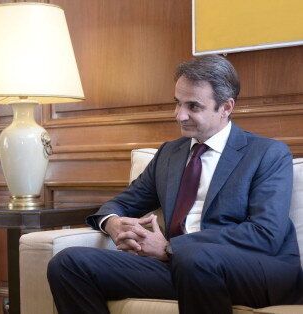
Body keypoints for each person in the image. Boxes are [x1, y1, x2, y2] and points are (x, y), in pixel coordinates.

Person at [47, 55, 302, 313]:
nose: (180, 115)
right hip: (182, 267)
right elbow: (123, 202)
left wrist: (171, 247)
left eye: (193, 106)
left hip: (255, 270)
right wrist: (112, 223)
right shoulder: (170, 154)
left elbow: (265, 233)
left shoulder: (267, 153)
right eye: (178, 103)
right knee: (67, 264)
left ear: (226, 107)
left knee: (195, 259)